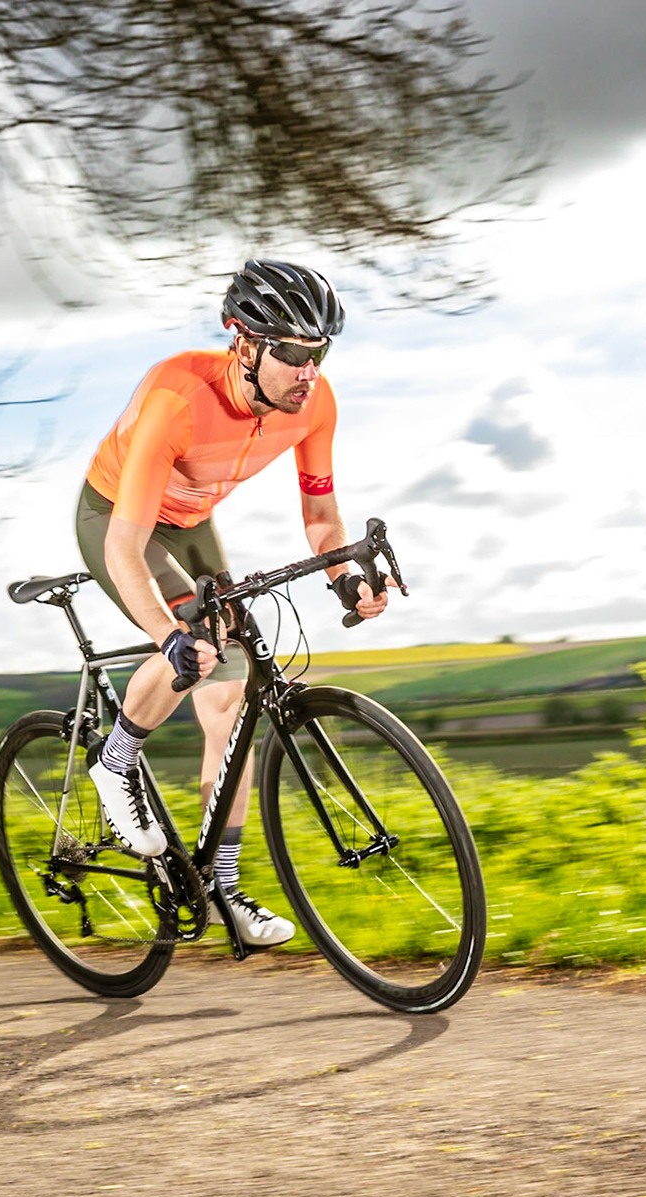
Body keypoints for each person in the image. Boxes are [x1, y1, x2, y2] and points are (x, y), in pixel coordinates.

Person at [75, 260, 391, 947]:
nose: (309, 371)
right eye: (291, 353)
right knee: (198, 640)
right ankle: (115, 759)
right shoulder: (177, 401)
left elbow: (322, 519)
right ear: (242, 343)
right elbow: (127, 551)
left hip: (190, 522)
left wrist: (345, 577)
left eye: (320, 353)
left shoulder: (315, 402)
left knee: (230, 699)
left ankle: (221, 886)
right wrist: (168, 634)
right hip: (117, 520)